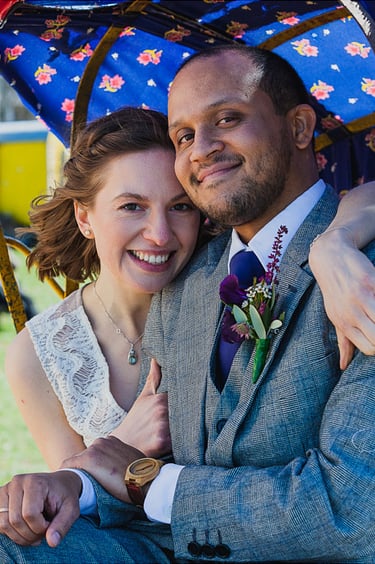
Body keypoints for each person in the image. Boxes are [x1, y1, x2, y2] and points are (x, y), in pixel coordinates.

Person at [1, 45, 375, 562]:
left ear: (298, 127)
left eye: (227, 117)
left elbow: (354, 511)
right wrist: (72, 486)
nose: (201, 149)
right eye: (184, 136)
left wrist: (148, 483)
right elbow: (142, 463)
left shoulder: (362, 269)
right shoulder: (187, 279)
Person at [4, 106, 202, 468]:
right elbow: (74, 503)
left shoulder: (227, 297)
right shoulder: (36, 356)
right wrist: (124, 442)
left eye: (181, 206)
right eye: (131, 206)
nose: (159, 235)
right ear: (85, 217)